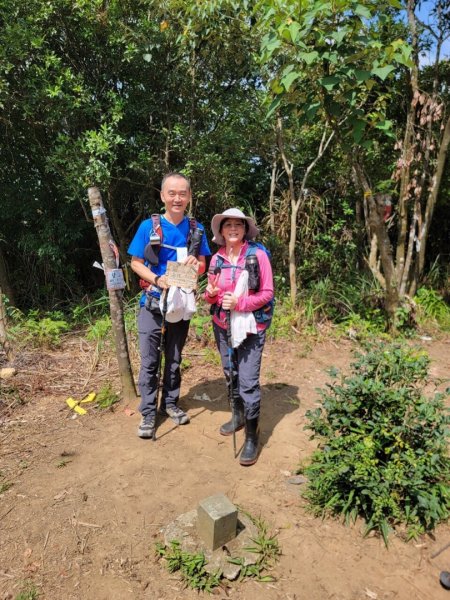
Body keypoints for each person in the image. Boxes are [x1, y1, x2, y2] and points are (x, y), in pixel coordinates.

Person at [128, 172, 211, 439]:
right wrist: (156, 279)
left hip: (181, 304)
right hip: (152, 302)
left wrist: (195, 266)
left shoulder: (197, 229)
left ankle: (171, 403)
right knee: (150, 361)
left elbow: (203, 264)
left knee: (174, 359)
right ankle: (148, 412)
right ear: (162, 196)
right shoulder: (148, 227)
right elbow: (135, 262)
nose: (177, 198)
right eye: (172, 193)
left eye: (182, 193)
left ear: (189, 197)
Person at [204, 208, 274, 466]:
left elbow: (267, 293)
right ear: (221, 231)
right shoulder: (217, 259)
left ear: (245, 230)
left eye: (238, 225)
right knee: (229, 372)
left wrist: (240, 302)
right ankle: (238, 416)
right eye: (228, 225)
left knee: (248, 381)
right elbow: (210, 296)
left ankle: (252, 438)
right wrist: (210, 292)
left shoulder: (257, 256)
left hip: (251, 328)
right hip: (222, 325)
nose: (233, 229)